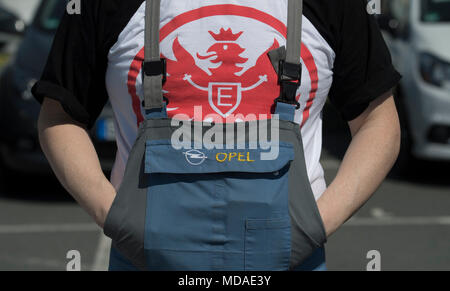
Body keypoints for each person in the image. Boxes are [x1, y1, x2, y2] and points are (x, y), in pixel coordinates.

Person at [32, 0, 401, 271]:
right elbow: (60, 113)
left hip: (291, 259)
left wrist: (318, 224)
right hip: (144, 258)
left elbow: (377, 121)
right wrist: (113, 216)